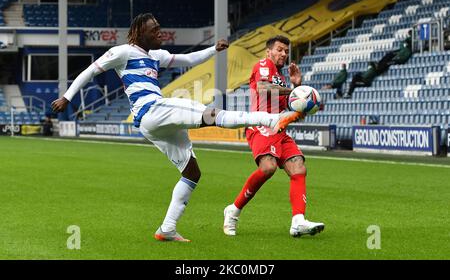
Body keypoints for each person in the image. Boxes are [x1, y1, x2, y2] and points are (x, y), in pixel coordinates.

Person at [51, 13, 303, 242]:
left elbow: (189, 58)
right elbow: (89, 71)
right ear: (140, 32)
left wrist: (214, 49)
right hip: (153, 109)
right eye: (155, 30)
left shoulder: (156, 56)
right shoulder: (123, 52)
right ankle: (267, 119)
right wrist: (67, 97)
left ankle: (167, 229)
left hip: (153, 125)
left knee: (192, 173)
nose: (160, 33)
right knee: (211, 114)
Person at [223, 35, 325, 238]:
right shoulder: (263, 65)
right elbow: (263, 88)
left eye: (286, 51)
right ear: (268, 51)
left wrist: (299, 91)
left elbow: (293, 108)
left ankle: (298, 221)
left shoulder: (281, 77)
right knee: (268, 167)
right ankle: (233, 210)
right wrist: (297, 91)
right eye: (279, 49)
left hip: (278, 129)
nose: (283, 54)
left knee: (298, 168)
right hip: (260, 126)